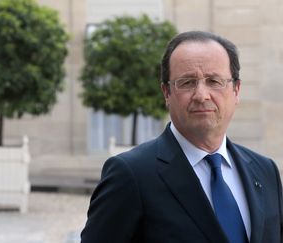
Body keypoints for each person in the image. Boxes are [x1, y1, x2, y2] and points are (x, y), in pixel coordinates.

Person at [81, 31, 283, 243]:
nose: (201, 95)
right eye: (187, 82)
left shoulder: (265, 171)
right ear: (166, 93)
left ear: (236, 90)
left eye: (214, 81)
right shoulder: (131, 174)